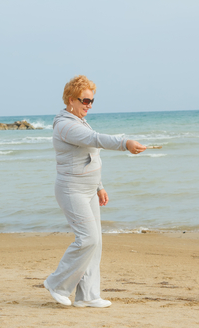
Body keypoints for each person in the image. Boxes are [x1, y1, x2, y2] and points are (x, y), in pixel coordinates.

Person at [44, 75, 147, 308]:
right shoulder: (65, 125)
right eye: (85, 101)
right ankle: (56, 283)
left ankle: (88, 296)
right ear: (71, 100)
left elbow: (90, 155)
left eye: (92, 101)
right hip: (72, 190)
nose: (89, 105)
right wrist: (124, 143)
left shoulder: (79, 120)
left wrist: (99, 186)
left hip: (89, 189)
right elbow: (95, 140)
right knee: (87, 238)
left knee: (96, 241)